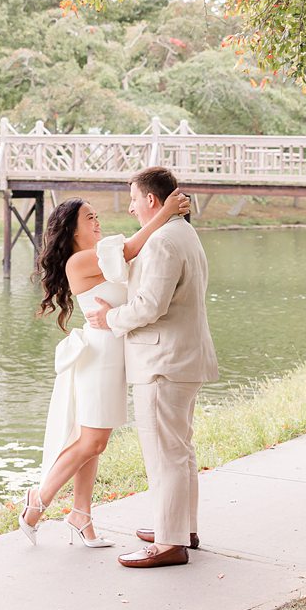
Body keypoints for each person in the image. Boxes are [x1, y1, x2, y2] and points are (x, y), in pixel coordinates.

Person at [18, 187, 192, 548]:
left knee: (95, 442)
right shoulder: (80, 262)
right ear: (71, 230)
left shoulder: (105, 256)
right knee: (92, 441)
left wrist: (170, 218)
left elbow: (137, 255)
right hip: (98, 358)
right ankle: (38, 499)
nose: (97, 221)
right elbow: (130, 248)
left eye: (97, 215)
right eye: (89, 217)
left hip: (115, 357)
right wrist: (166, 211)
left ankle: (81, 515)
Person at [85, 166, 216, 569]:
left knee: (164, 454)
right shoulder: (183, 233)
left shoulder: (162, 241)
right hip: (180, 358)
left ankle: (169, 543)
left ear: (152, 201)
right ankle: (179, 527)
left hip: (162, 362)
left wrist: (110, 318)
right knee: (179, 450)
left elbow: (150, 306)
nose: (130, 208)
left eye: (133, 200)